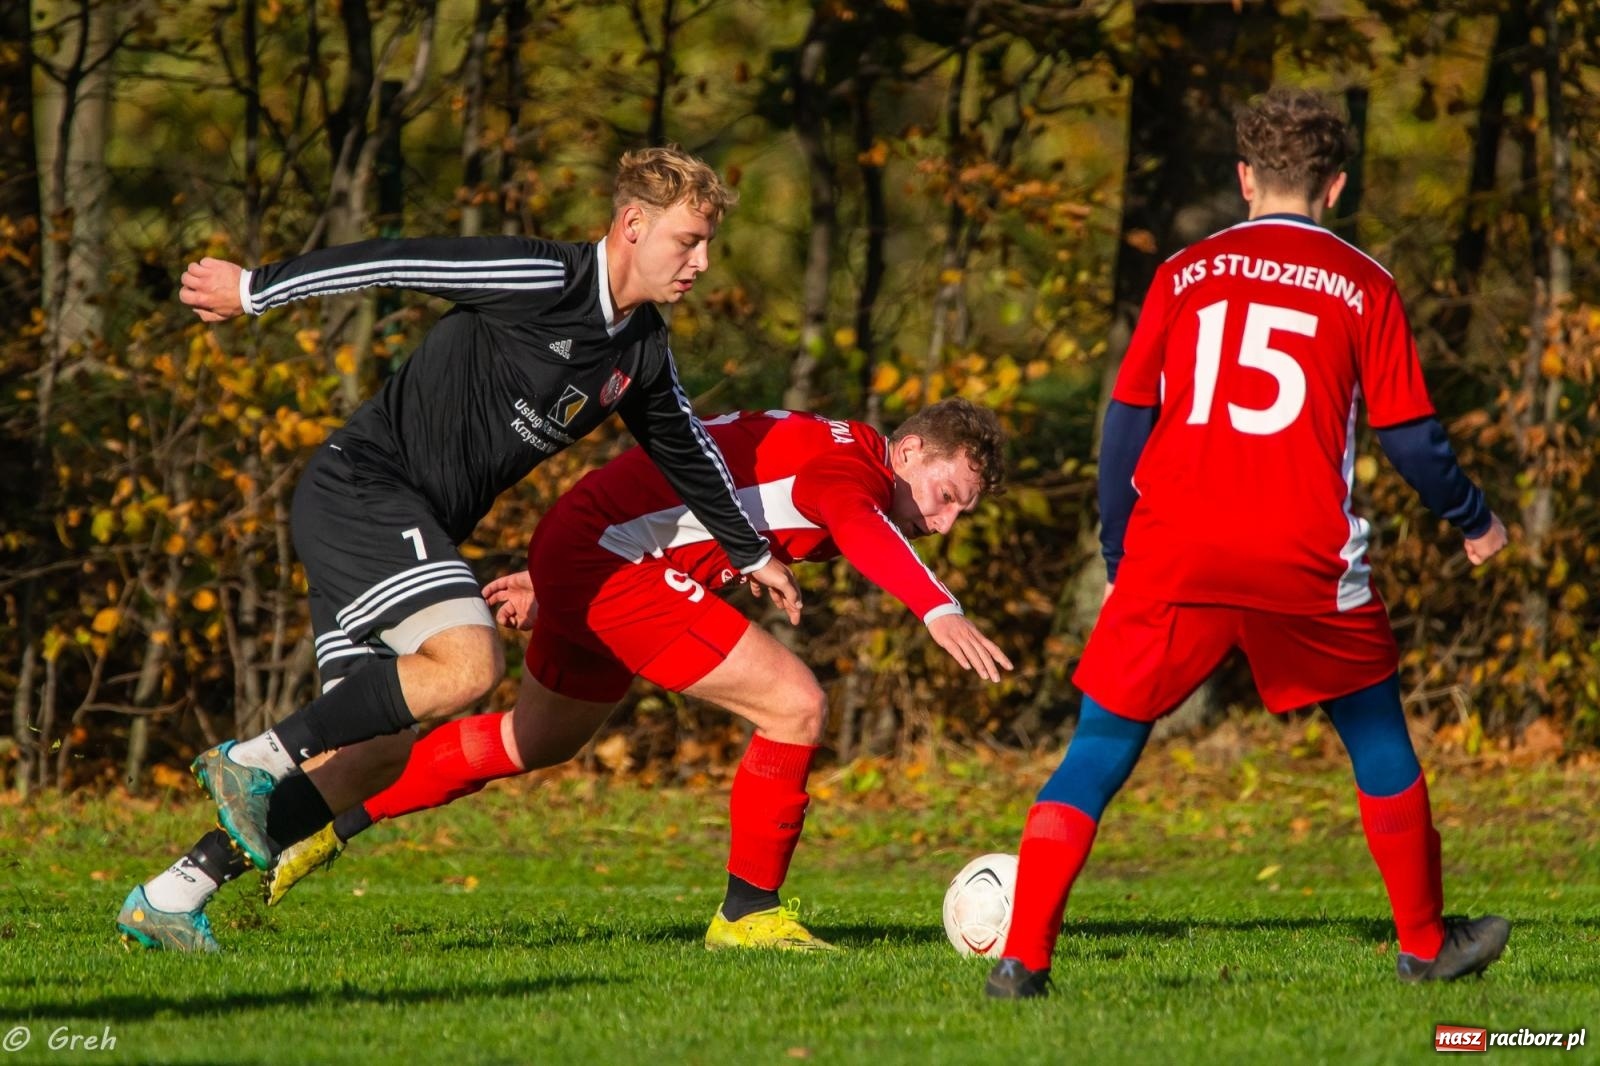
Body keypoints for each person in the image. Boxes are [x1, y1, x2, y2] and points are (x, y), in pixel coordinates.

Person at [116, 146, 802, 952]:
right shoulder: (542, 276)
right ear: (631, 225)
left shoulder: (640, 348)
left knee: (375, 756)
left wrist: (749, 552)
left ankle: (170, 896)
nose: (702, 262)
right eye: (688, 241)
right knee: (470, 664)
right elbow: (397, 259)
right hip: (364, 488)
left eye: (707, 244)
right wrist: (254, 290)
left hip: (399, 520)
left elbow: (685, 446)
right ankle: (258, 756)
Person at [128, 401, 1011, 952]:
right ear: (907, 448)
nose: (943, 521)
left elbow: (684, 503)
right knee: (795, 705)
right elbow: (855, 519)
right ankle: (749, 914)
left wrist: (554, 578)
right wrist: (938, 608)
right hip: (607, 560)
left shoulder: (826, 443)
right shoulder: (850, 465)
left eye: (960, 513)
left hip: (593, 551)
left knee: (534, 741)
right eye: (945, 495)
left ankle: (292, 836)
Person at [984, 88, 1511, 999]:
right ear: (1335, 186)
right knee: (1377, 737)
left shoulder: (1182, 273)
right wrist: (1473, 517)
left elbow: (1125, 423)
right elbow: (1412, 439)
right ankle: (1427, 945)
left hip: (1175, 551)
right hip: (1303, 557)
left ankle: (1022, 960)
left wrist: (1119, 554)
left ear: (1244, 178)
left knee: (1098, 747)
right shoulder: (1366, 284)